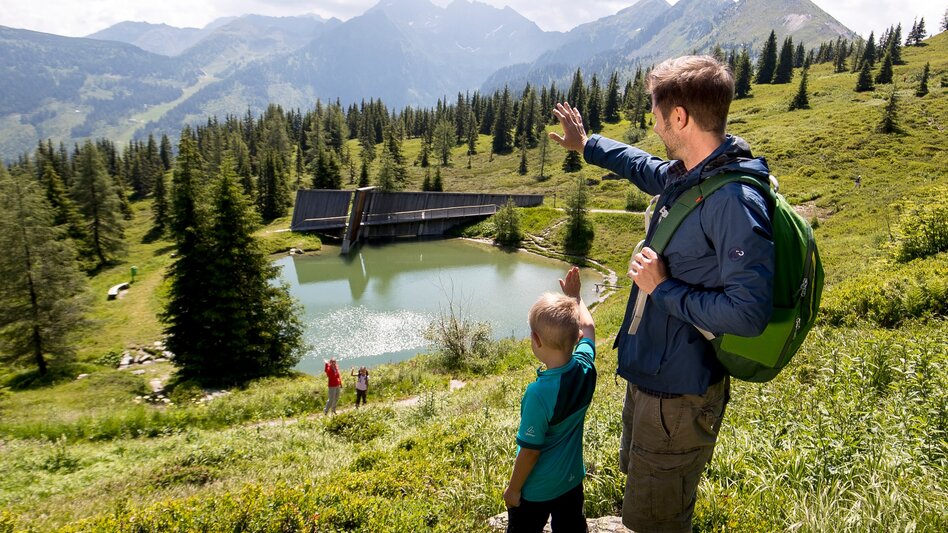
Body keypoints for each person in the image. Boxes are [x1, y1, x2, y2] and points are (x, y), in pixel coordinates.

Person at [549, 55, 775, 533]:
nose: (652, 124)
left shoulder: (733, 200)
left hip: (680, 392)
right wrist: (586, 144)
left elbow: (749, 313)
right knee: (643, 501)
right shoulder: (690, 175)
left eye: (655, 113)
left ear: (679, 117)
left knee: (658, 521)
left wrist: (663, 288)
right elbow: (640, 164)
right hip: (652, 377)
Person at [503, 266, 597, 532]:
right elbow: (589, 327)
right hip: (571, 482)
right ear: (577, 336)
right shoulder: (586, 368)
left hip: (536, 490)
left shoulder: (538, 394)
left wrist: (513, 490)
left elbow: (530, 452)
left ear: (536, 339)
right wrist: (575, 298)